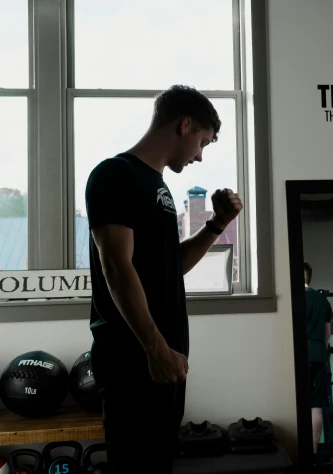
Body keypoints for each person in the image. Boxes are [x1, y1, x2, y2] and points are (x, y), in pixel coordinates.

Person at [85, 85, 243, 473]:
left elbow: (170, 267)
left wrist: (217, 225)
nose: (200, 156)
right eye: (202, 142)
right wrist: (155, 349)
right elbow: (117, 269)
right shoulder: (114, 174)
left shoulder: (160, 189)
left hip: (165, 360)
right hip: (133, 360)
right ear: (184, 125)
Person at [304, 261, 332, 454]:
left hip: (301, 355)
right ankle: (313, 452)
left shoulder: (296, 298)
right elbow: (327, 335)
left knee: (300, 404)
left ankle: (301, 453)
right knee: (316, 407)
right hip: (319, 355)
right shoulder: (324, 301)